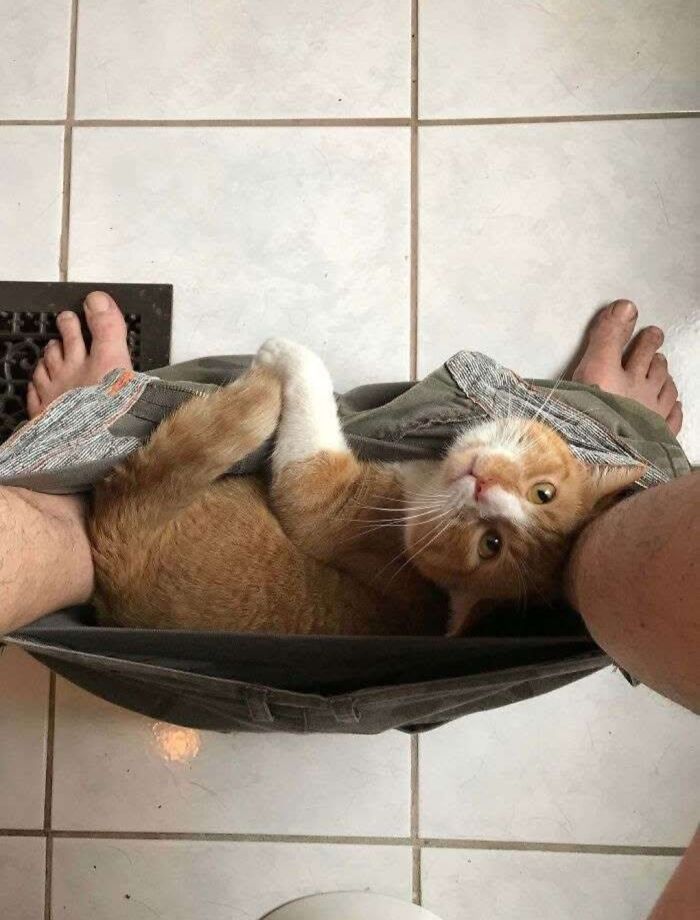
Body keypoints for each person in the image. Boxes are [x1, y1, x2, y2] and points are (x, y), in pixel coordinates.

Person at [1, 292, 697, 914]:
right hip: (165, 583)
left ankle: (69, 476)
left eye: (489, 543)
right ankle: (614, 463)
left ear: (462, 597)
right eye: (544, 492)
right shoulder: (454, 557)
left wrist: (302, 381)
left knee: (225, 453)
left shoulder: (415, 558)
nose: (491, 489)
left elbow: (314, 501)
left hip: (174, 536)